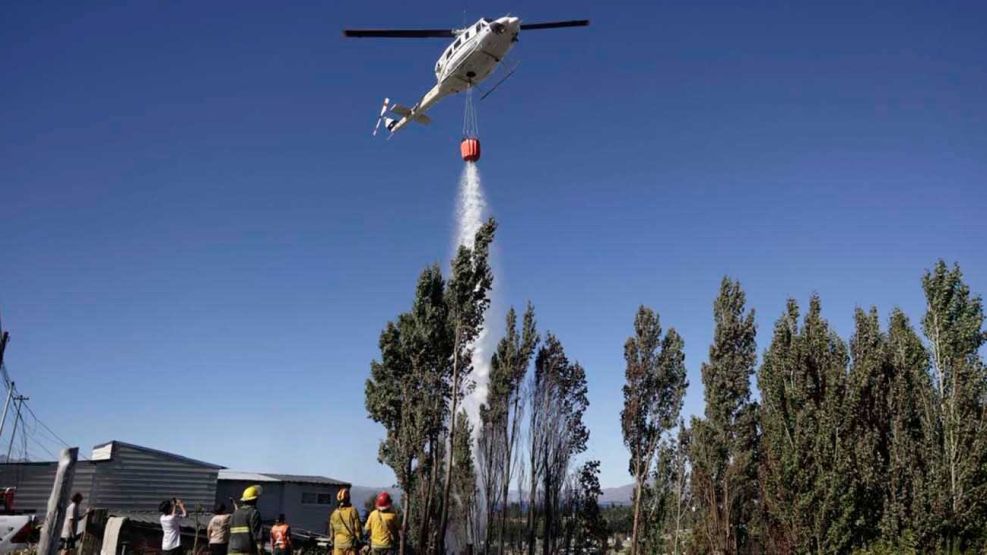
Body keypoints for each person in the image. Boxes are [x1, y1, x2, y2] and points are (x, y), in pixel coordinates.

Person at [228, 485, 263, 555]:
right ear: (255, 500)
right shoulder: (254, 512)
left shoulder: (235, 513)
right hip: (247, 550)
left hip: (232, 550)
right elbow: (256, 534)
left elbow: (229, 530)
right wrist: (260, 549)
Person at [328, 488, 362, 555]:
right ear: (348, 498)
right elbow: (357, 529)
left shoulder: (334, 513)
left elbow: (331, 532)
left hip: (337, 545)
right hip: (350, 545)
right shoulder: (353, 511)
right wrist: (359, 540)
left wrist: (332, 543)